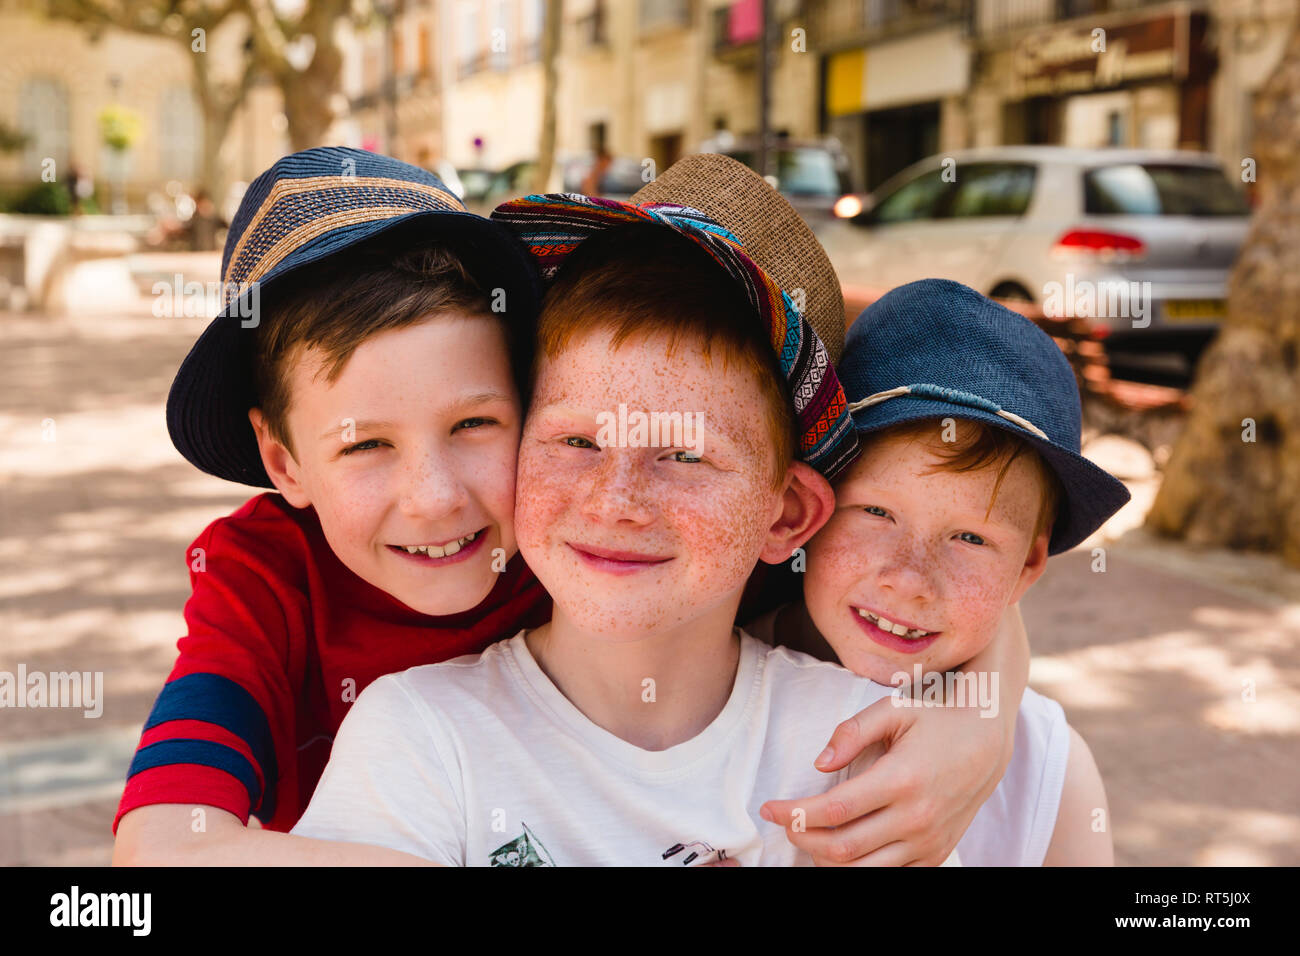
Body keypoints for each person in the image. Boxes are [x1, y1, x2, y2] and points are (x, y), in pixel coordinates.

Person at [289, 155, 1027, 865]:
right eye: (576, 440)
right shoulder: (416, 738)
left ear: (787, 515)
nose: (616, 502)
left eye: (682, 456)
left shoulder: (857, 749)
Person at [112, 146, 551, 865]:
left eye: (473, 425)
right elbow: (161, 841)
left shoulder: (577, 533)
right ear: (283, 462)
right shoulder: (265, 578)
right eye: (366, 446)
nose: (436, 498)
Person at [753, 279, 1128, 865]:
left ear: (1028, 566)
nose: (909, 579)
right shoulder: (707, 681)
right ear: (807, 508)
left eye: (970, 538)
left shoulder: (1049, 771)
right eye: (876, 512)